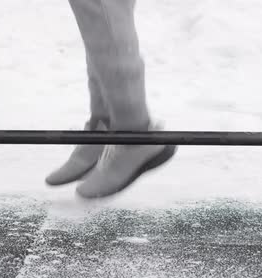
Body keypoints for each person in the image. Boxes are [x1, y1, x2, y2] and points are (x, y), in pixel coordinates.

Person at [46, 0, 176, 199]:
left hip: (134, 134)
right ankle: (105, 125)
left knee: (100, 6)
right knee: (95, 13)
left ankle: (133, 135)